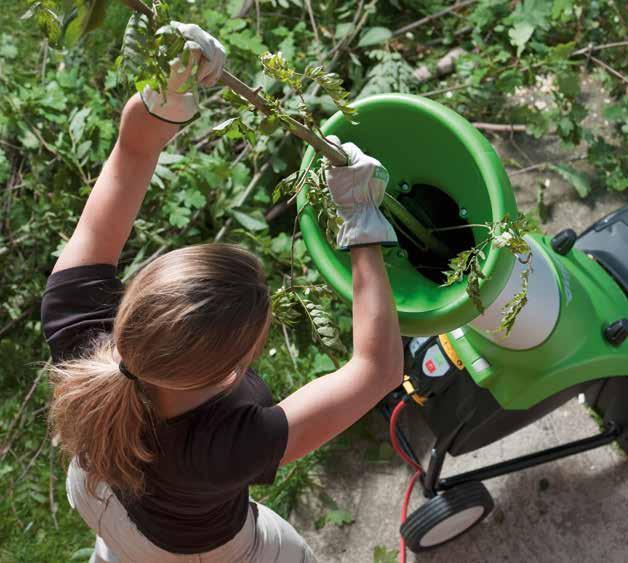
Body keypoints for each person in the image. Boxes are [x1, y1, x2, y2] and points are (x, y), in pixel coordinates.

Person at [42, 22, 403, 562]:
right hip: (188, 549)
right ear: (232, 372)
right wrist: (364, 226)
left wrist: (164, 96)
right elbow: (378, 371)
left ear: (138, 298)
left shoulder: (78, 326)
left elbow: (131, 154)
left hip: (97, 496)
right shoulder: (227, 446)